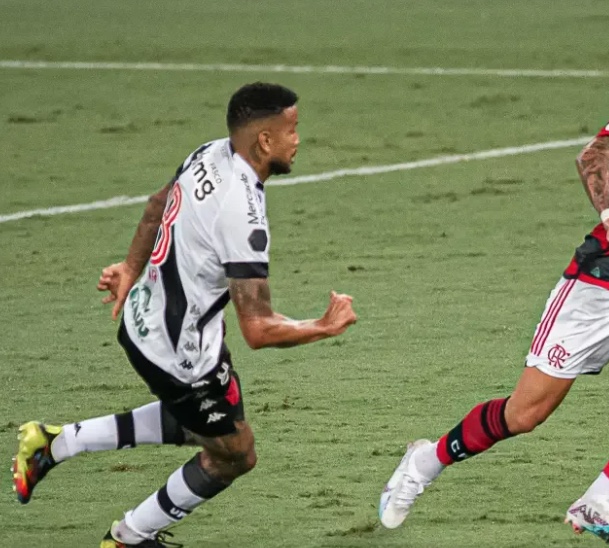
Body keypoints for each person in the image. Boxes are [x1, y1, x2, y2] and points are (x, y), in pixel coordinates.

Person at [378, 10, 609, 544]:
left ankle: (596, 499)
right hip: (599, 284)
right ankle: (426, 460)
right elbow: (594, 155)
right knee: (525, 413)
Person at [12, 82, 358, 547]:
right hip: (181, 354)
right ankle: (129, 536)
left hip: (146, 322)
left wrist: (130, 268)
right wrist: (322, 325)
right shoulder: (244, 215)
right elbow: (257, 328)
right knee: (234, 454)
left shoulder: (208, 153)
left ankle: (53, 444)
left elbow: (158, 205)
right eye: (292, 130)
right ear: (265, 141)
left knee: (213, 428)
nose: (299, 140)